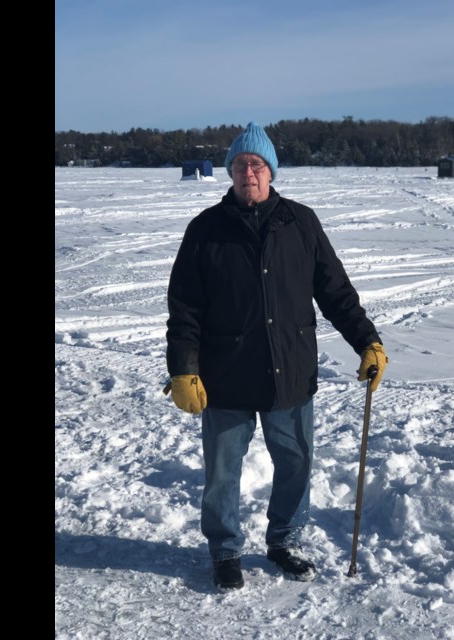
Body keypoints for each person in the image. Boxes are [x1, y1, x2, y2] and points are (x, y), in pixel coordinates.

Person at [164, 122, 388, 590]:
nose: (249, 171)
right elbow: (185, 309)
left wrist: (367, 341)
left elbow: (335, 291)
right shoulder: (205, 230)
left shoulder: (301, 222)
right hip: (225, 378)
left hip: (291, 374)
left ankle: (285, 540)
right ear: (229, 172)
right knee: (223, 473)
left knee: (296, 464)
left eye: (258, 164)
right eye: (241, 164)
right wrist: (184, 368)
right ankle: (225, 550)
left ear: (271, 172)